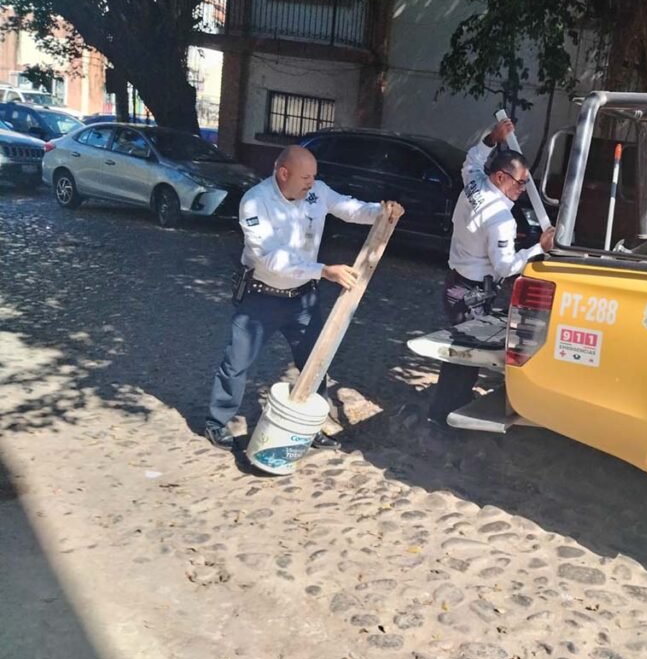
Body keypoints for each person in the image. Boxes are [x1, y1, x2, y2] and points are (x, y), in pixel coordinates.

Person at [204, 144, 404, 450]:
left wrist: (381, 212)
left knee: (315, 362)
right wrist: (324, 270)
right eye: (305, 177)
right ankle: (217, 422)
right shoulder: (255, 203)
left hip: (302, 300)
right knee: (237, 362)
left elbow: (349, 208)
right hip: (262, 298)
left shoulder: (317, 191)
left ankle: (309, 426)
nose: (312, 183)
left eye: (314, 176)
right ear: (283, 174)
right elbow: (271, 259)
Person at [427, 118, 555, 424]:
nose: (523, 189)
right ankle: (445, 414)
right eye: (520, 182)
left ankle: (451, 406)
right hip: (471, 293)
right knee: (464, 357)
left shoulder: (474, 183)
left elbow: (471, 160)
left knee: (462, 351)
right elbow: (505, 266)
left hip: (456, 284)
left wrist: (492, 138)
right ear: (500, 177)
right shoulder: (500, 219)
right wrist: (539, 248)